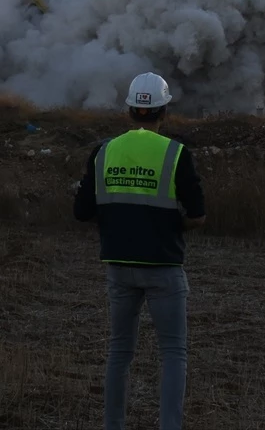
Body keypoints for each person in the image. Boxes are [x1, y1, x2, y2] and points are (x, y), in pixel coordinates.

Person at [74, 72, 206, 430]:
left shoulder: (103, 151)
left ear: (129, 110)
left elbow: (82, 212)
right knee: (173, 353)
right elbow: (197, 214)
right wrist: (173, 223)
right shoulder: (176, 154)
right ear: (164, 112)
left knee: (119, 352)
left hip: (118, 266)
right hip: (164, 265)